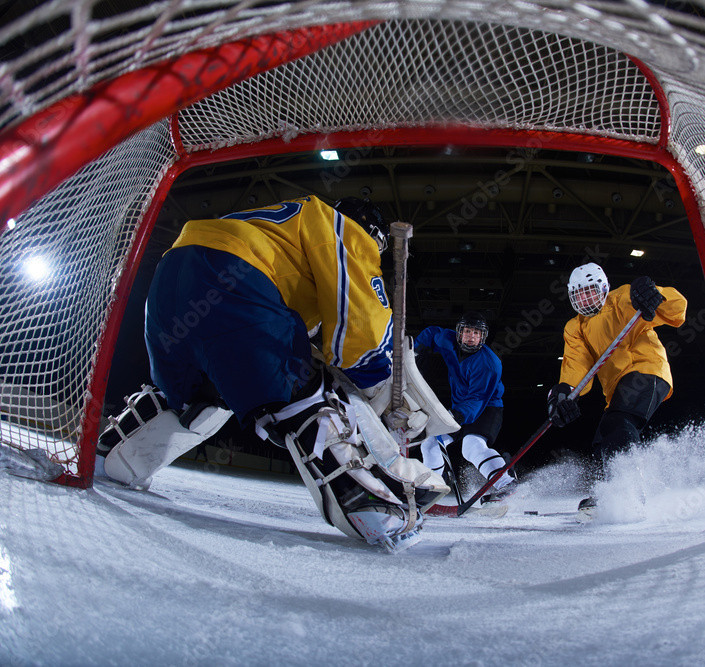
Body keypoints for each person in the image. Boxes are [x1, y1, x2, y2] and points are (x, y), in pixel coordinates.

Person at [97, 194, 447, 551]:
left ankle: (110, 457)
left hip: (171, 280)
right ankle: (377, 512)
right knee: (305, 390)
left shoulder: (282, 227)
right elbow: (361, 327)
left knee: (198, 397)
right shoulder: (342, 228)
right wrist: (376, 383)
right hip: (235, 282)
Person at [547, 262, 687, 510]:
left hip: (646, 369)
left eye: (590, 291)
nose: (585, 299)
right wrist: (565, 392)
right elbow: (577, 364)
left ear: (603, 289)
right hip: (617, 389)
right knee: (604, 437)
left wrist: (653, 295)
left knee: (618, 423)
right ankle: (611, 495)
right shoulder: (575, 328)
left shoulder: (623, 298)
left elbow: (677, 310)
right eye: (579, 294)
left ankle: (629, 491)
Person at [415, 311, 517, 503]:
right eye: (468, 331)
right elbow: (431, 333)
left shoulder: (489, 364)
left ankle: (507, 483)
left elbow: (477, 397)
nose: (471, 337)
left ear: (482, 337)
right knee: (431, 442)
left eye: (476, 333)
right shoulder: (447, 340)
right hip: (460, 407)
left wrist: (456, 415)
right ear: (459, 332)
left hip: (486, 408)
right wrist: (418, 350)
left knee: (471, 445)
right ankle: (433, 486)